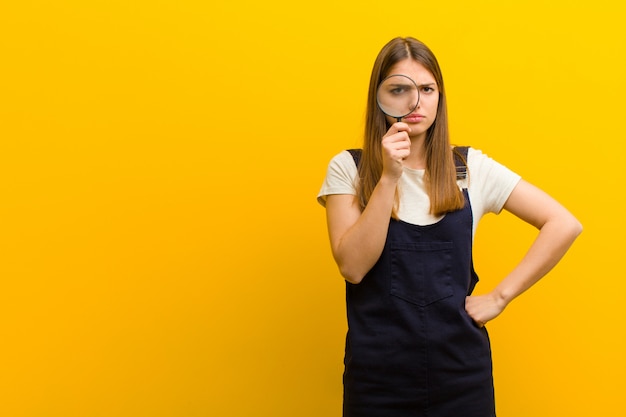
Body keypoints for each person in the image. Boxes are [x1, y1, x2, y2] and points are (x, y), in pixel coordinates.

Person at [317, 37, 582, 417]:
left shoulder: (471, 169)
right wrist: (389, 177)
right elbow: (353, 267)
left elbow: (564, 223)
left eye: (426, 89)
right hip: (376, 382)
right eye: (399, 90)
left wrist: (500, 297)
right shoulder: (349, 169)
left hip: (461, 379)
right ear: (380, 98)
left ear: (440, 97)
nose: (415, 103)